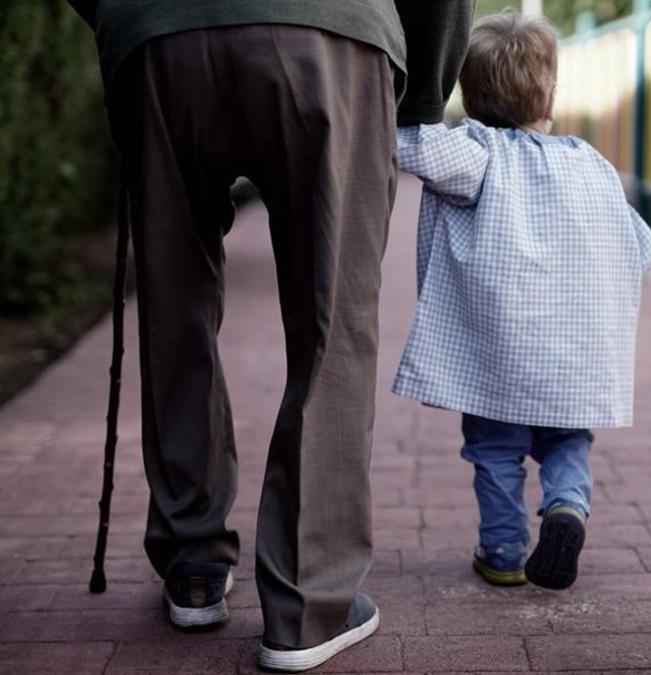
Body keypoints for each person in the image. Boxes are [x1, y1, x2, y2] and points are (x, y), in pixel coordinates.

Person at [65, 1, 474, 671]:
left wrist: (125, 18)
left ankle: (192, 562)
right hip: (329, 33)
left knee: (174, 305)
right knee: (332, 321)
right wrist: (422, 88)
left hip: (160, 38)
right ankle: (308, 603)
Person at [394, 11, 651, 591]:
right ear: (550, 91)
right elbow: (640, 245)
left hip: (499, 354)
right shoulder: (590, 163)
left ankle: (504, 551)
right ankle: (566, 508)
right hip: (575, 354)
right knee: (568, 441)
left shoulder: (475, 154)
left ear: (471, 93)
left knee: (493, 451)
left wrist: (414, 87)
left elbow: (408, 144)